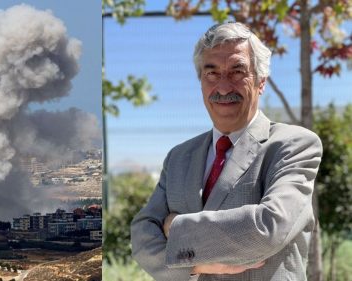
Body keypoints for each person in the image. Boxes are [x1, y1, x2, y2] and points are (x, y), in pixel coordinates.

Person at [130, 22, 322, 281]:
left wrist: (175, 227)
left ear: (261, 81)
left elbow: (268, 228)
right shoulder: (179, 158)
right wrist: (194, 266)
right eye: (212, 73)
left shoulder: (294, 145)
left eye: (237, 71)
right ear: (200, 82)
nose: (223, 87)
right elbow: (142, 234)